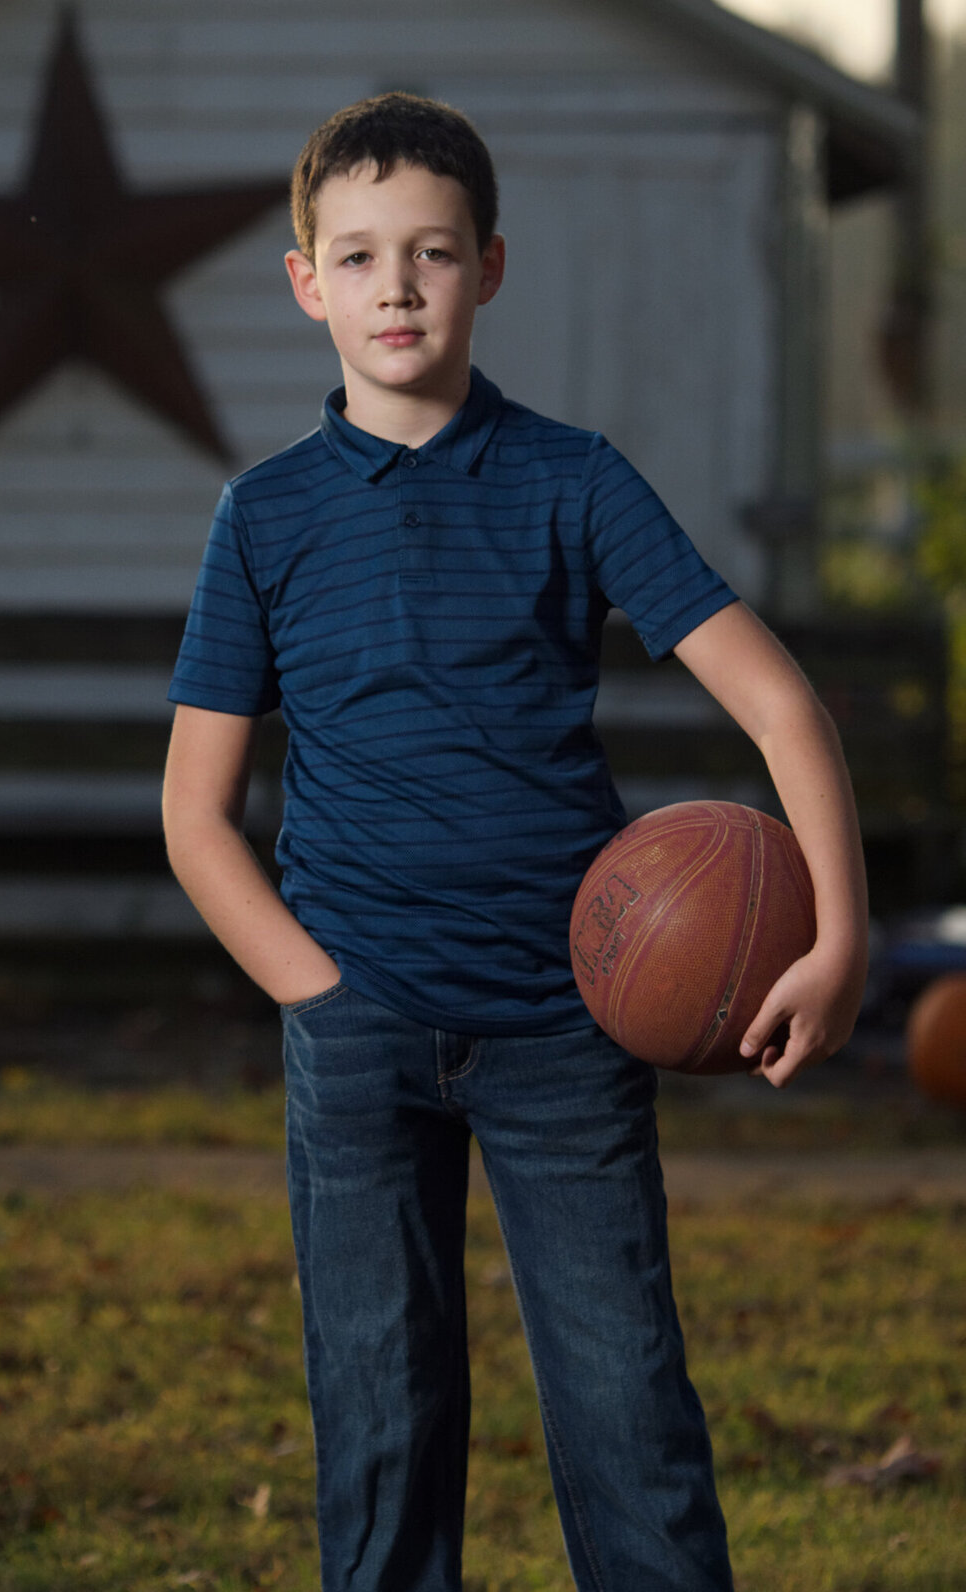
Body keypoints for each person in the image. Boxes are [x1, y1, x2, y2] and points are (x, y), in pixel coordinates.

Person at [162, 92, 868, 1592]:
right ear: (306, 283)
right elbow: (193, 810)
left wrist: (841, 934)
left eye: (430, 251)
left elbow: (782, 706)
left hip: (567, 1023)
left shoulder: (576, 482)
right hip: (357, 1033)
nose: (397, 286)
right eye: (357, 258)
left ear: (491, 265)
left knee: (628, 1414)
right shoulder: (264, 519)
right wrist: (316, 992)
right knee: (381, 1421)